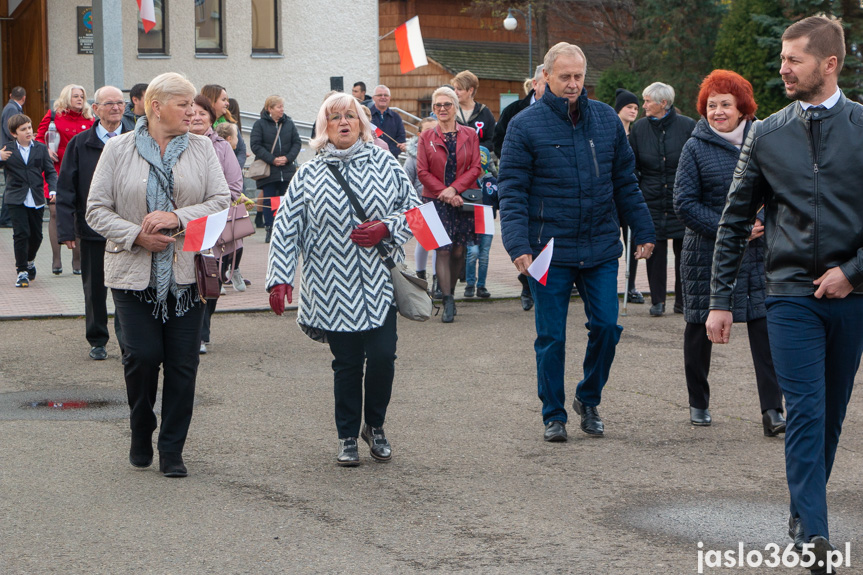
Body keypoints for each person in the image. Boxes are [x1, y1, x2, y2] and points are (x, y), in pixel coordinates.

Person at [707, 16, 863, 569]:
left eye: (794, 59)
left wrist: (852, 271)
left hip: (852, 298)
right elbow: (733, 220)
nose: (783, 68)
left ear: (829, 65)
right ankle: (814, 535)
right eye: (782, 57)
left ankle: (803, 509)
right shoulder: (766, 134)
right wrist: (719, 300)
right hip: (789, 293)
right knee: (804, 410)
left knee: (832, 412)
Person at [498, 43, 655, 442]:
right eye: (564, 76)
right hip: (548, 249)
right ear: (546, 77)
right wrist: (517, 244)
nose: (572, 84)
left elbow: (624, 182)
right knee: (551, 337)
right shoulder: (524, 125)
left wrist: (644, 228)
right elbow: (512, 190)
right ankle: (554, 414)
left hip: (600, 244)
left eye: (579, 77)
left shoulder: (605, 119)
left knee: (607, 326)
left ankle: (588, 398)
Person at [85, 72, 231, 478]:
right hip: (132, 276)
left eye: (194, 104)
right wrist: (136, 236)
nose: (192, 110)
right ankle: (140, 427)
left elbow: (222, 201)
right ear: (154, 107)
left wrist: (177, 217)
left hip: (187, 277)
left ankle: (171, 450)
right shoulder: (118, 149)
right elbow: (95, 210)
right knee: (142, 358)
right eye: (183, 103)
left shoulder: (202, 148)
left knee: (183, 365)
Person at [266, 92, 420, 466]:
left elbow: (416, 213)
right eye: (335, 117)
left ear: (362, 123)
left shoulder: (386, 164)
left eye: (350, 115)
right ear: (325, 127)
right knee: (347, 364)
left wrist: (386, 227)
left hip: (379, 283)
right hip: (331, 285)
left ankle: (376, 426)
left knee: (383, 357)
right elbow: (286, 230)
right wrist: (279, 279)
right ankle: (348, 435)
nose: (344, 122)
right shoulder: (308, 174)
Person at [673, 70, 785, 432]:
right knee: (698, 329)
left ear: (742, 108)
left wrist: (763, 221)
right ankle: (698, 402)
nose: (718, 111)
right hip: (706, 252)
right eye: (711, 105)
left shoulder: (765, 140)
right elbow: (685, 204)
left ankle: (772, 411)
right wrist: (731, 226)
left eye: (725, 104)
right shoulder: (694, 146)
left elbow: (783, 190)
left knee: (765, 329)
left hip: (758, 252)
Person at [55, 86, 134, 361]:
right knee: (94, 290)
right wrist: (66, 230)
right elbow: (66, 189)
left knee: (127, 288)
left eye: (120, 103)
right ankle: (97, 339)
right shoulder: (80, 144)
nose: (115, 108)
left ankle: (128, 343)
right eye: (109, 103)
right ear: (96, 109)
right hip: (93, 231)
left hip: (129, 231)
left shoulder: (136, 139)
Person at [417, 86, 483, 323]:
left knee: (458, 250)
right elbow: (422, 171)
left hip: (463, 198)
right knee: (442, 249)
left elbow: (476, 167)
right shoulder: (426, 136)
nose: (442, 109)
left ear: (455, 107)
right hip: (436, 200)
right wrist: (445, 193)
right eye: (438, 105)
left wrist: (455, 189)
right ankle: (447, 300)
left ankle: (451, 292)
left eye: (447, 104)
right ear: (434, 109)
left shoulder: (470, 134)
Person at [630, 82, 695, 316]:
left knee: (684, 252)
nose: (643, 105)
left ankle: (682, 300)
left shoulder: (688, 126)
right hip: (651, 199)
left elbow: (695, 162)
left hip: (681, 199)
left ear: (663, 104)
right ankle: (657, 300)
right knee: (654, 251)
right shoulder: (639, 129)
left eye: (648, 101)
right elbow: (632, 164)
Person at [190, 94, 245, 355]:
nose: (196, 117)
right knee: (188, 279)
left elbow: (234, 187)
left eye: (202, 112)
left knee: (209, 278)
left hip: (215, 224)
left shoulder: (222, 146)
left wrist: (209, 205)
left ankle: (202, 330)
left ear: (211, 117)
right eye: (192, 112)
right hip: (183, 223)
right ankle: (192, 332)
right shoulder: (175, 143)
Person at [494, 64, 546, 311]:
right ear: (535, 84)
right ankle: (527, 287)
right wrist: (515, 161)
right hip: (523, 183)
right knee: (526, 239)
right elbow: (498, 141)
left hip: (549, 189)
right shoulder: (515, 111)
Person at [36, 84, 94, 276]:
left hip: (81, 170)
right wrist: (46, 149)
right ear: (66, 97)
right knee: (54, 211)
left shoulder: (89, 118)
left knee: (78, 213)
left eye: (82, 96)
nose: (79, 99)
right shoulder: (54, 115)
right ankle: (56, 258)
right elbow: (38, 138)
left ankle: (77, 259)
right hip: (57, 169)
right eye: (75, 96)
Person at [0, 113, 56, 288]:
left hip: (36, 197)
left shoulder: (40, 148)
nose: (28, 132)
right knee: (21, 234)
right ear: (14, 133)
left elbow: (50, 172)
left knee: (37, 236)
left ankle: (30, 260)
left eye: (30, 128)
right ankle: (22, 271)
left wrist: (53, 189)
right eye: (23, 129)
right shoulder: (7, 149)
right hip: (15, 198)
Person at [250, 94, 301, 243]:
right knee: (269, 199)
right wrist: (272, 159)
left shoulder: (289, 123)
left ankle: (286, 228)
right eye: (279, 107)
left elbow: (296, 143)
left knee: (286, 199)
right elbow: (256, 145)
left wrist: (288, 158)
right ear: (269, 109)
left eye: (282, 106)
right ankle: (270, 229)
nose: (282, 109)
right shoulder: (259, 125)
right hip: (269, 170)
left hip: (286, 170)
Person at [614, 88, 645, 304]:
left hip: (630, 193)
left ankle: (631, 284)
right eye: (629, 107)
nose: (633, 111)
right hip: (609, 196)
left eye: (636, 108)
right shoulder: (610, 133)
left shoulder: (636, 136)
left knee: (632, 241)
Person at [404, 117, 438, 288]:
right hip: (420, 204)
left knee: (440, 244)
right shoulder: (413, 158)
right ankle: (421, 276)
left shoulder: (443, 152)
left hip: (440, 204)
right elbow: (405, 181)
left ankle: (437, 280)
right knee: (424, 242)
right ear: (419, 135)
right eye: (427, 130)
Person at [464, 146, 496, 298]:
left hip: (487, 220)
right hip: (470, 220)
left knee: (483, 255)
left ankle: (481, 286)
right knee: (473, 252)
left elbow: (499, 200)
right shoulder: (467, 180)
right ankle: (470, 283)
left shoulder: (492, 181)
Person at [201, 85, 247, 173]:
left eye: (227, 100)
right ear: (211, 101)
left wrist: (233, 169)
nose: (227, 103)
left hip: (233, 177)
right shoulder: (202, 127)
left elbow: (242, 150)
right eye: (223, 100)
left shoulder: (230, 124)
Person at [0, 86, 26, 228]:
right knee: (11, 184)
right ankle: (5, 218)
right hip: (9, 150)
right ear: (24, 98)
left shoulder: (11, 107)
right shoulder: (11, 109)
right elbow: (10, 129)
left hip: (9, 149)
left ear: (11, 95)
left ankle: (6, 217)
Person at [452, 70, 496, 151]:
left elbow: (492, 141)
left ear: (470, 90)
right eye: (454, 89)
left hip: (478, 161)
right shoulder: (449, 111)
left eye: (459, 89)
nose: (455, 92)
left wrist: (473, 148)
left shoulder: (484, 112)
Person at [367, 85, 406, 156]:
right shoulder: (366, 116)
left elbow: (401, 138)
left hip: (391, 158)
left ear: (390, 98)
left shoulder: (396, 117)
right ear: (373, 98)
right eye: (379, 95)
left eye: (386, 95)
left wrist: (388, 153)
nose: (383, 97)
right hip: (370, 157)